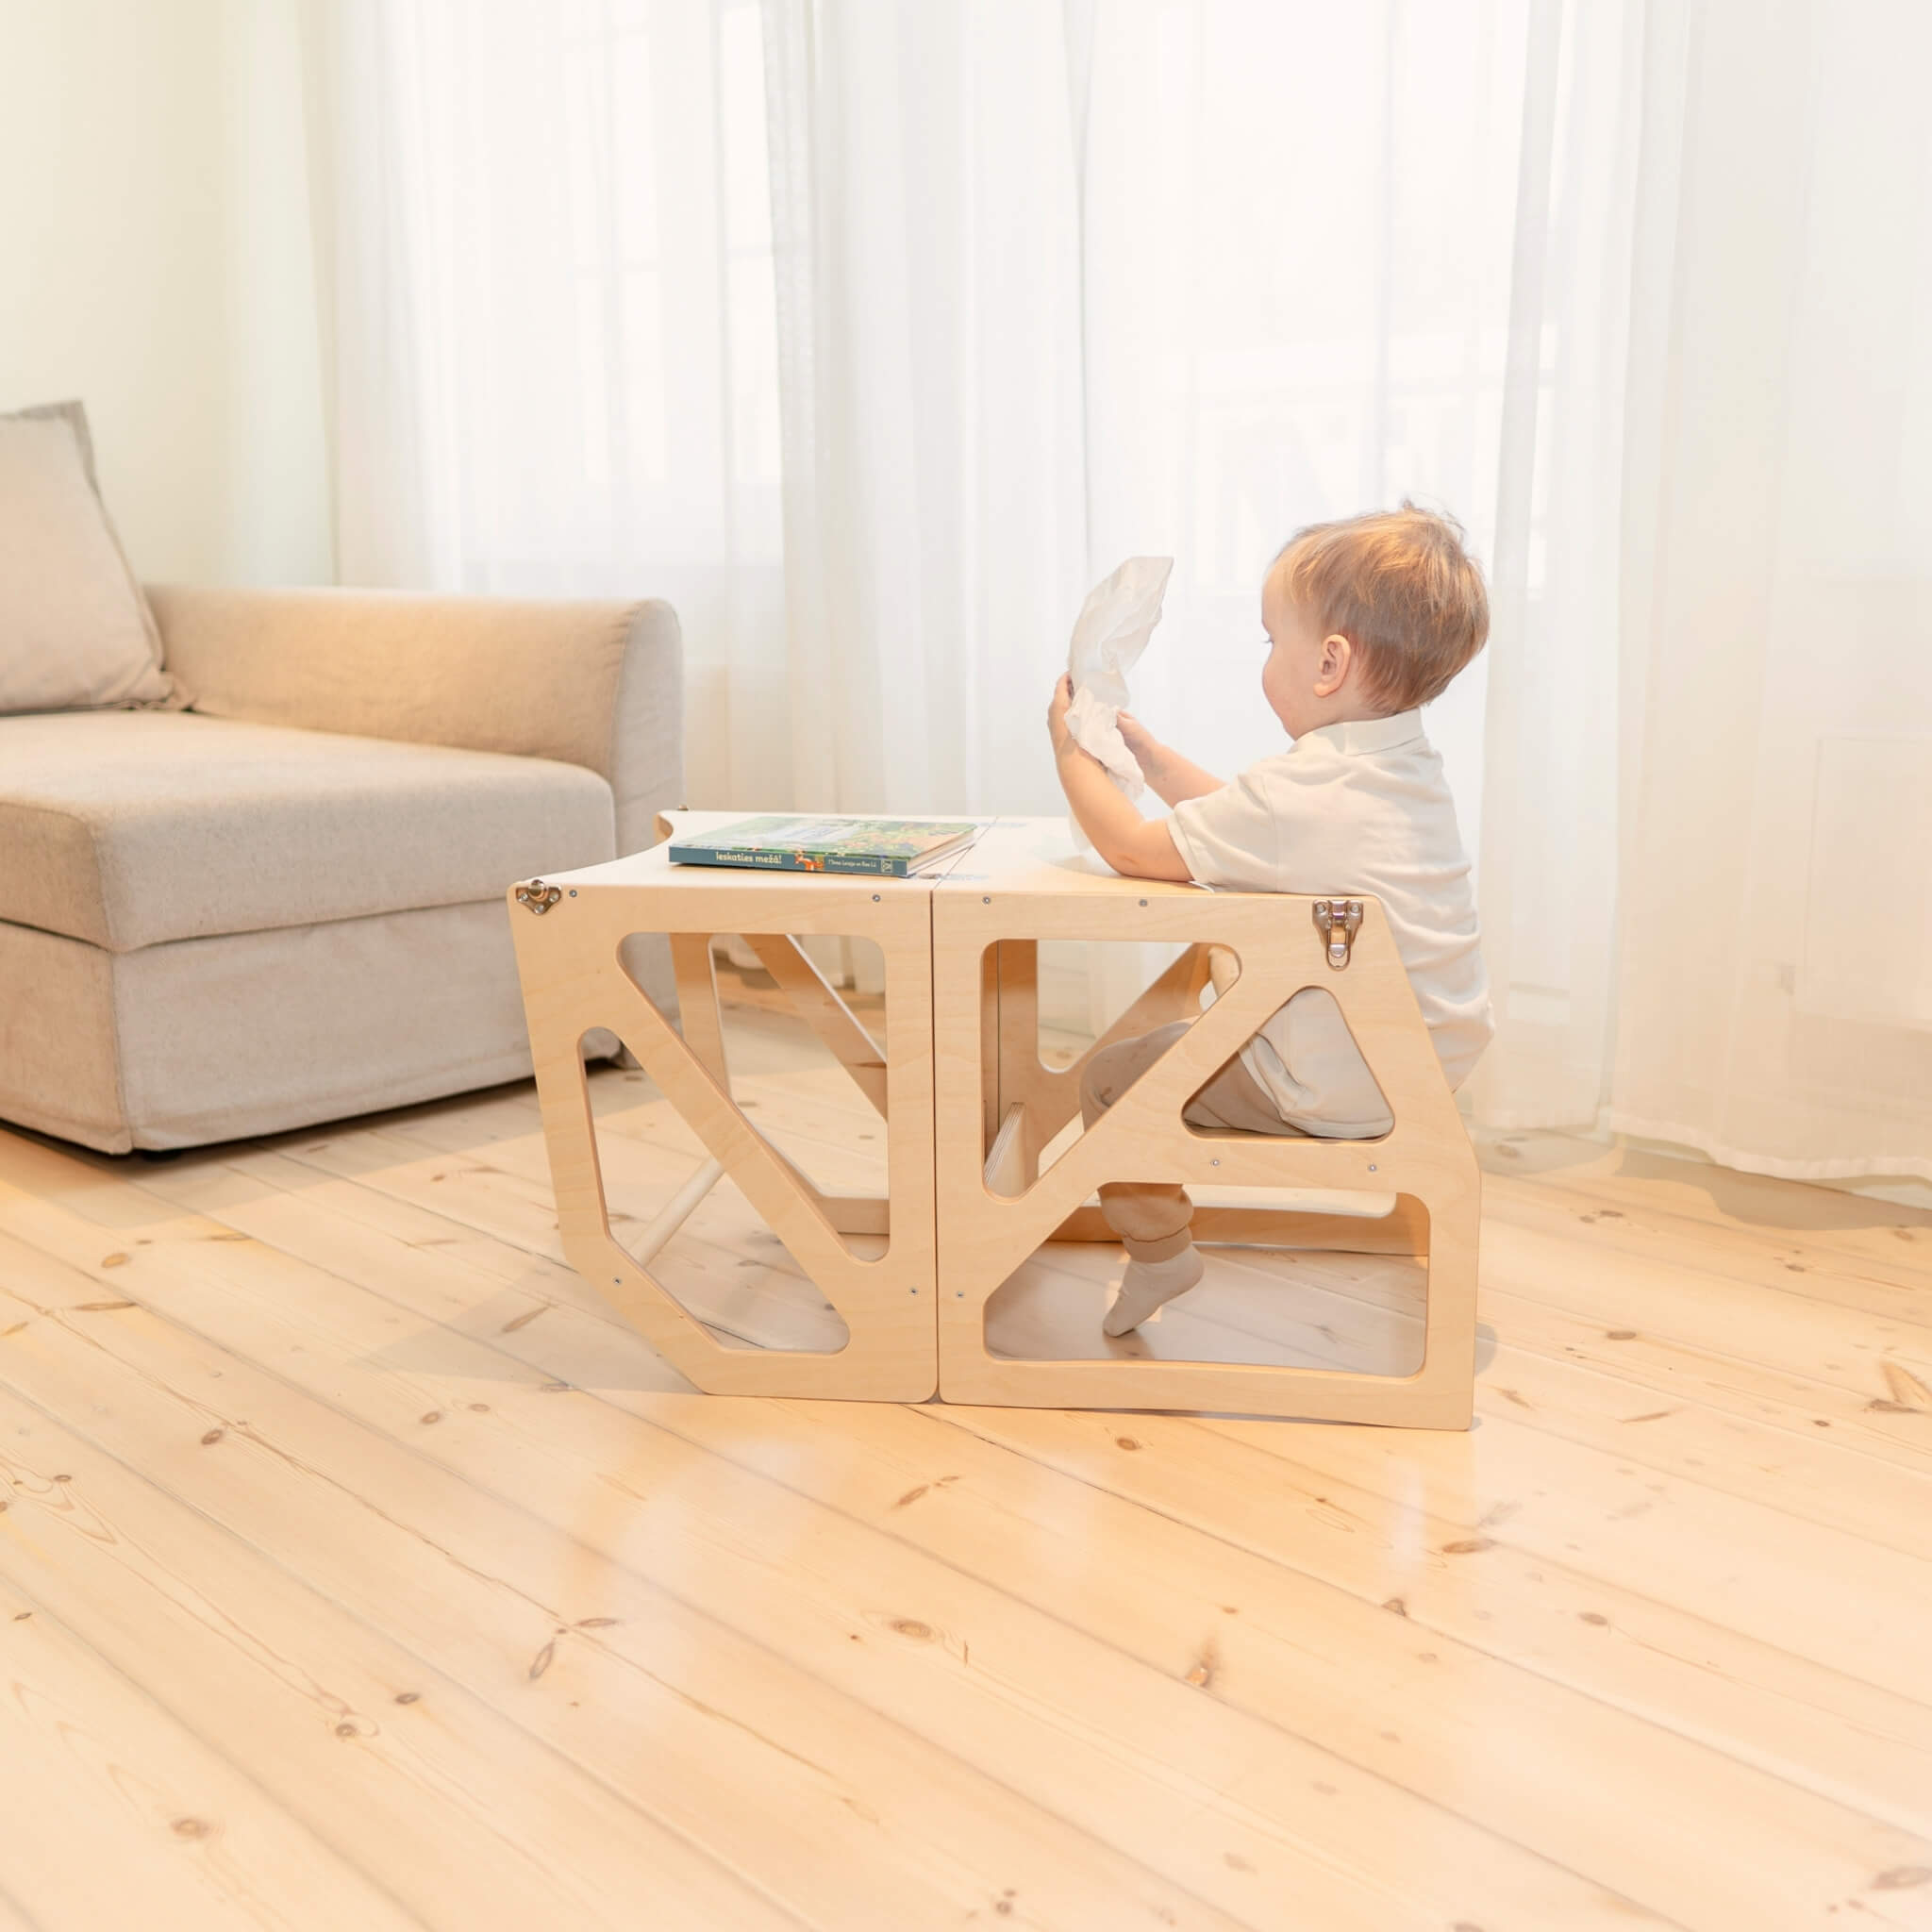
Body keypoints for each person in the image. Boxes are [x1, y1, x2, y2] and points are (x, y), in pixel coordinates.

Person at [1046, 502, 1494, 1336]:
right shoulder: (1400, 767)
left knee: (1109, 1080)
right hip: (1423, 1068)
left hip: (1331, 1087)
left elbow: (1137, 851)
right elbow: (1245, 818)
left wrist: (1070, 755)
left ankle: (1162, 1252)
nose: (1266, 662)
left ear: (1328, 662)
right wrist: (1148, 756)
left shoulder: (1302, 793)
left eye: (1270, 642)